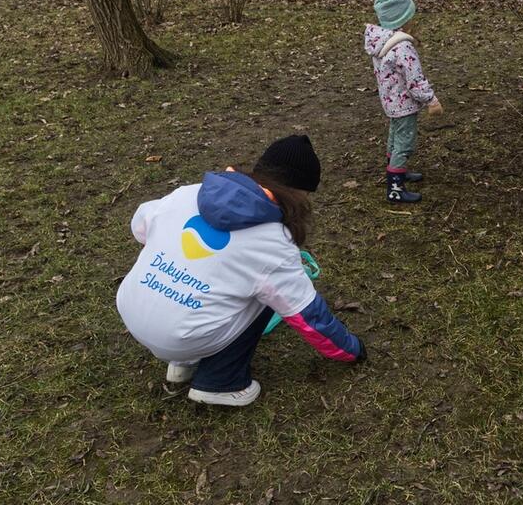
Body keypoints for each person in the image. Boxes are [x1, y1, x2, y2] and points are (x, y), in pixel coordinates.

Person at [116, 135, 367, 407]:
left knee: (216, 281)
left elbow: (140, 227)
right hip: (182, 333)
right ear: (296, 193)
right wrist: (351, 350)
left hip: (132, 308)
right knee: (270, 295)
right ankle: (221, 381)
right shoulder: (272, 242)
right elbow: (308, 315)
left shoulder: (189, 192)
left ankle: (183, 363)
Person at [363, 0, 442, 204]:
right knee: (404, 143)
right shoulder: (403, 48)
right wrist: (431, 100)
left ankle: (396, 169)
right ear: (403, 20)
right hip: (404, 103)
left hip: (390, 100)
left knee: (394, 137)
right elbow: (414, 80)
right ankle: (395, 187)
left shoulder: (381, 42)